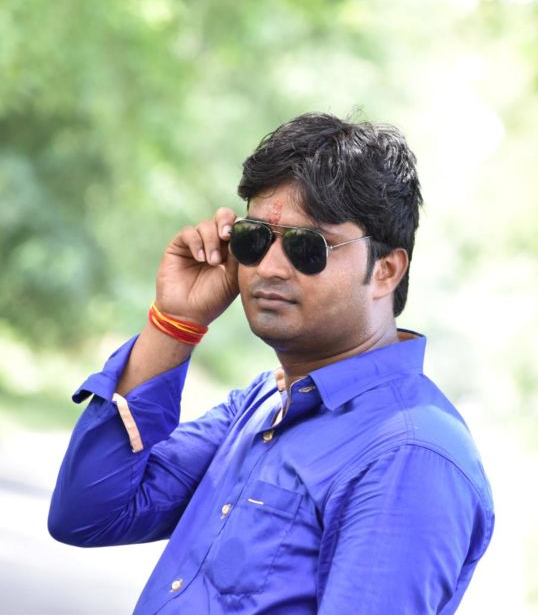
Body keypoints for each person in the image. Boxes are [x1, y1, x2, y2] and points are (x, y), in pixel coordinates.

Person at [49, 112, 494, 614]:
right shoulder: (266, 403)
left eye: (308, 246)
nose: (270, 267)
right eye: (255, 238)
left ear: (386, 270)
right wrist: (175, 323)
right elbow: (88, 514)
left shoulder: (408, 455)